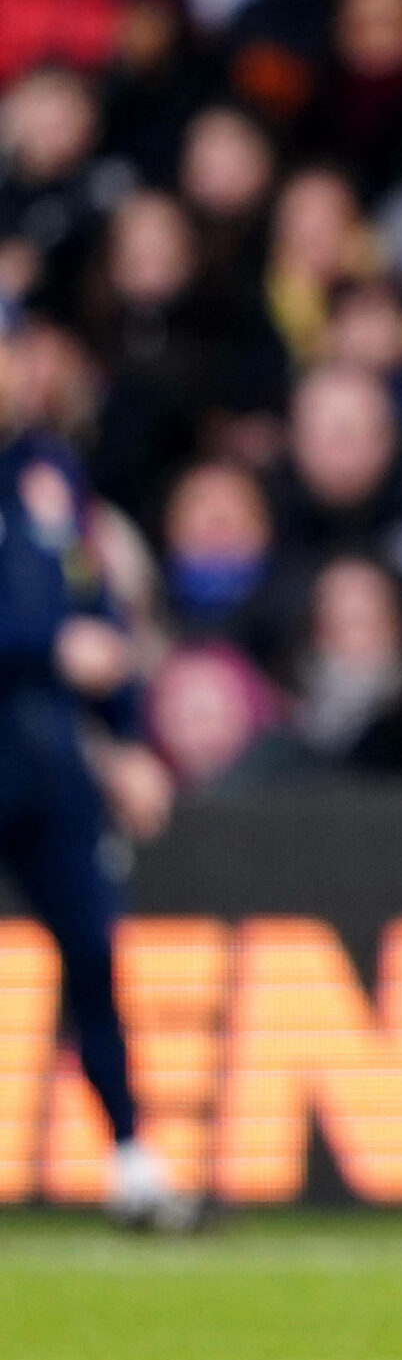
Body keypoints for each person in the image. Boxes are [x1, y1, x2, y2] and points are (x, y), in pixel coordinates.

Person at [0, 312, 192, 1228]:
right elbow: (61, 633)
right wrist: (44, 650)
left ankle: (131, 1160)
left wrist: (122, 739)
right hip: (24, 723)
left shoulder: (47, 473)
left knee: (93, 955)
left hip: (48, 758)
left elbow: (96, 602)